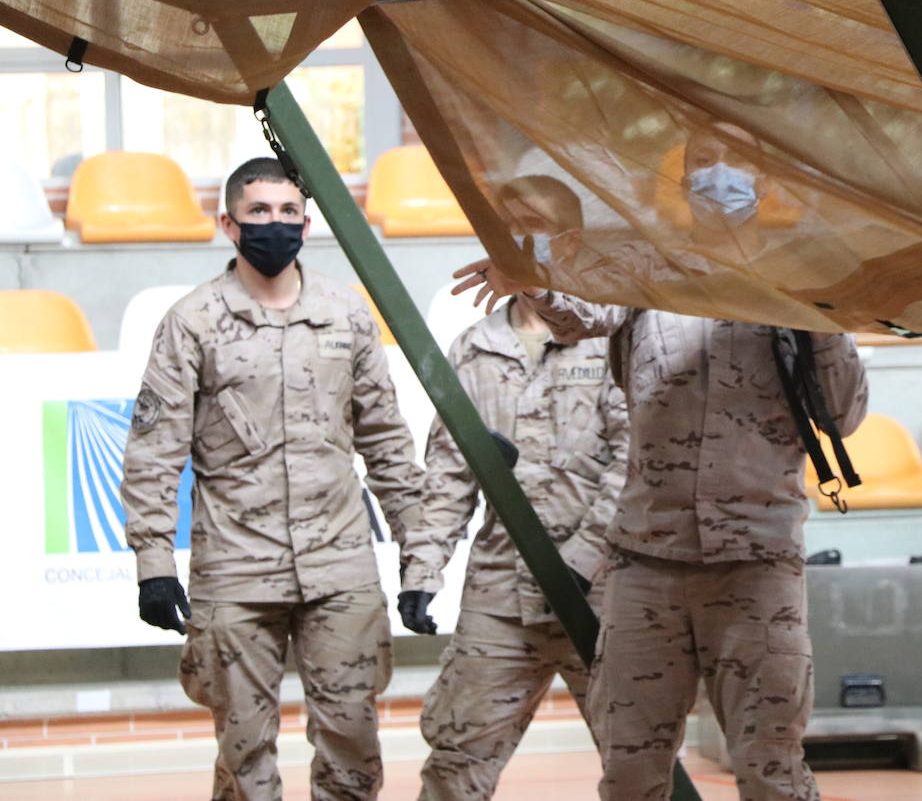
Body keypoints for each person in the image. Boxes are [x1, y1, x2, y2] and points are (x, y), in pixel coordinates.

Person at [449, 259, 869, 801]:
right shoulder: (648, 264)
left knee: (773, 767)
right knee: (630, 771)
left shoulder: (793, 282)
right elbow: (582, 315)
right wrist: (531, 284)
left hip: (756, 564)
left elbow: (843, 413)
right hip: (646, 563)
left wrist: (820, 310)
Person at [120, 157, 439, 801]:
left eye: (288, 212)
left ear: (307, 220)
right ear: (230, 225)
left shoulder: (346, 315)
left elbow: (387, 445)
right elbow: (154, 454)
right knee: (244, 753)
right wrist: (153, 565)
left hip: (340, 567)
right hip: (236, 571)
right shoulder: (192, 321)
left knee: (352, 742)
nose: (275, 224)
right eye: (259, 212)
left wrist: (422, 560)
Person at [408, 288, 628, 799]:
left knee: (639, 761)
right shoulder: (475, 347)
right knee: (455, 763)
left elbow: (635, 462)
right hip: (501, 596)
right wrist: (422, 571)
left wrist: (580, 560)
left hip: (605, 597)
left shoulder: (610, 340)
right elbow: (449, 472)